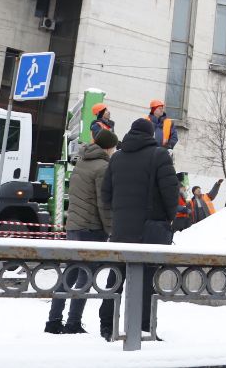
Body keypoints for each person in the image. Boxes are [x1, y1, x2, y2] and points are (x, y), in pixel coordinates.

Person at [99, 118, 178, 342]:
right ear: (151, 134)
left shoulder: (116, 158)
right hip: (148, 231)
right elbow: (170, 194)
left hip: (121, 231)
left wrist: (119, 217)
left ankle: (107, 326)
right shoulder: (159, 155)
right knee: (146, 281)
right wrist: (168, 218)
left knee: (115, 279)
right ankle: (143, 327)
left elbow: (105, 195)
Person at [45, 129, 116, 335]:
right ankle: (73, 322)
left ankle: (53, 320)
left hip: (74, 226)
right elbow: (103, 203)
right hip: (91, 228)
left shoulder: (81, 162)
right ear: (109, 147)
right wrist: (110, 229)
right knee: (86, 276)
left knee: (70, 272)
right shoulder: (103, 167)